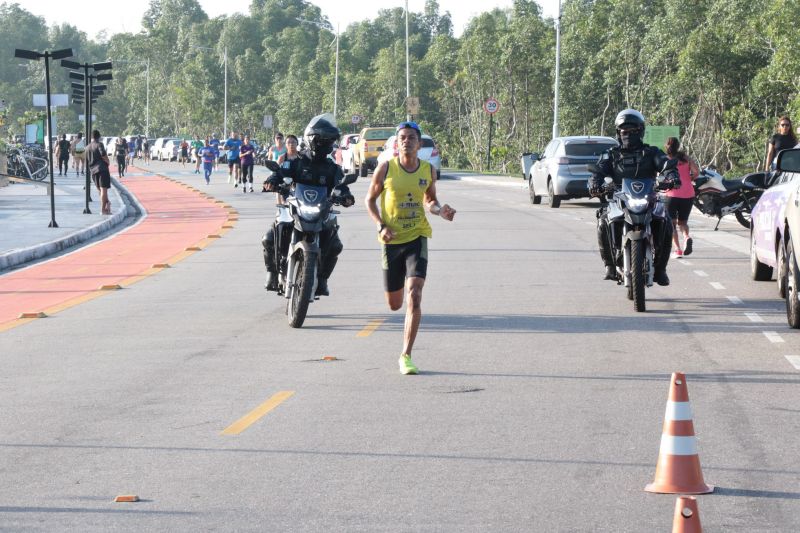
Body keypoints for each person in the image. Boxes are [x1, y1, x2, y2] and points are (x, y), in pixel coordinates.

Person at [364, 121, 456, 375]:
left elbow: (430, 200)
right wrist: (381, 225)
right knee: (394, 304)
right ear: (397, 142)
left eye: (411, 137)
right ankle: (403, 335)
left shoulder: (427, 170)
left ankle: (406, 355)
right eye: (402, 137)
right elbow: (370, 200)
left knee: (414, 293)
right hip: (391, 240)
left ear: (419, 142)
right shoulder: (385, 169)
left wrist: (441, 211)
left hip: (417, 235)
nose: (407, 141)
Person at [263, 115, 355, 295]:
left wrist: (346, 197)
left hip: (321, 210)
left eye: (328, 141)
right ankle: (273, 273)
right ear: (312, 140)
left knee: (335, 245)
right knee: (269, 237)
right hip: (296, 206)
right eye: (321, 141)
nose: (324, 145)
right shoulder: (296, 162)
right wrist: (272, 181)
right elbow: (281, 173)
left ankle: (322, 279)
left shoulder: (332, 168)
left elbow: (342, 185)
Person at [588, 109, 679, 286]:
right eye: (624, 131)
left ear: (641, 131)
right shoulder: (611, 154)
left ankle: (661, 269)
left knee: (666, 222)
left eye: (633, 130)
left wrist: (672, 176)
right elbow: (598, 171)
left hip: (649, 198)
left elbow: (666, 165)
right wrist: (594, 183)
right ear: (618, 133)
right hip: (619, 199)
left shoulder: (652, 152)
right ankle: (609, 266)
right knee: (603, 220)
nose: (628, 134)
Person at [663, 137, 700, 258]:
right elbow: (696, 172)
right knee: (683, 222)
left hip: (671, 194)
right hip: (688, 194)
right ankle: (686, 237)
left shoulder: (666, 160)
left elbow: (660, 176)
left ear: (667, 146)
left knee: (672, 224)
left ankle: (677, 250)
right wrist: (689, 179)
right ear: (678, 146)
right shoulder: (686, 158)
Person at [87, 129, 112, 215]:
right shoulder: (99, 144)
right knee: (103, 190)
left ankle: (107, 204)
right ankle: (103, 210)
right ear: (99, 137)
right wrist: (108, 161)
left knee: (100, 190)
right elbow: (103, 154)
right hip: (102, 169)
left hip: (93, 171)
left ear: (91, 137)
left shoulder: (87, 147)